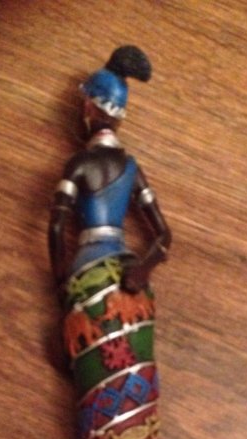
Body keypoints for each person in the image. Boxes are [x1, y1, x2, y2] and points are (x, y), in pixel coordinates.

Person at [48, 45, 172, 297]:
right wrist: (142, 271)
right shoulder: (132, 168)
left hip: (88, 271)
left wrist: (61, 283)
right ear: (120, 118)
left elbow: (56, 228)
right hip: (128, 272)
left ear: (88, 109)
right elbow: (164, 235)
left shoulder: (78, 164)